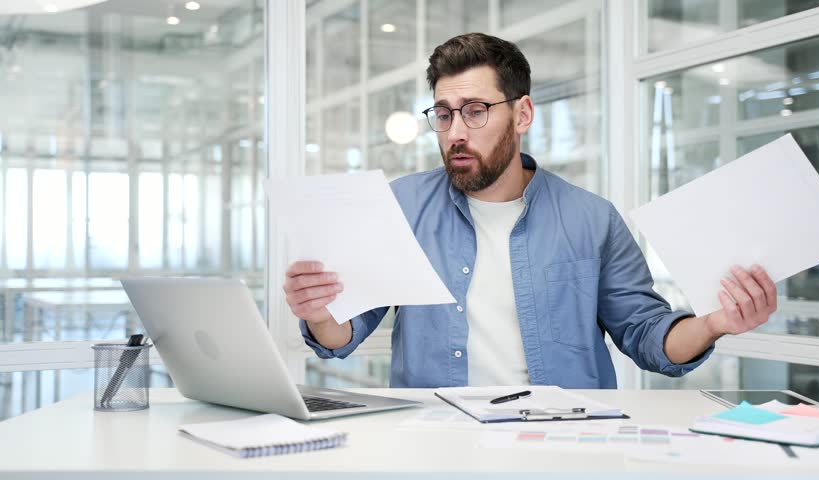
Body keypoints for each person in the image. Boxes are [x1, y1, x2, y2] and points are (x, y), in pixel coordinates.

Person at [283, 33, 777, 388]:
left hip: (563, 444)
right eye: (443, 112)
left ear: (522, 114)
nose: (456, 131)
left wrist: (712, 323)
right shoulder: (402, 205)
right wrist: (320, 310)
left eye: (476, 110)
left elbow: (646, 337)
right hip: (433, 442)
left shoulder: (592, 219)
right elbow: (346, 332)